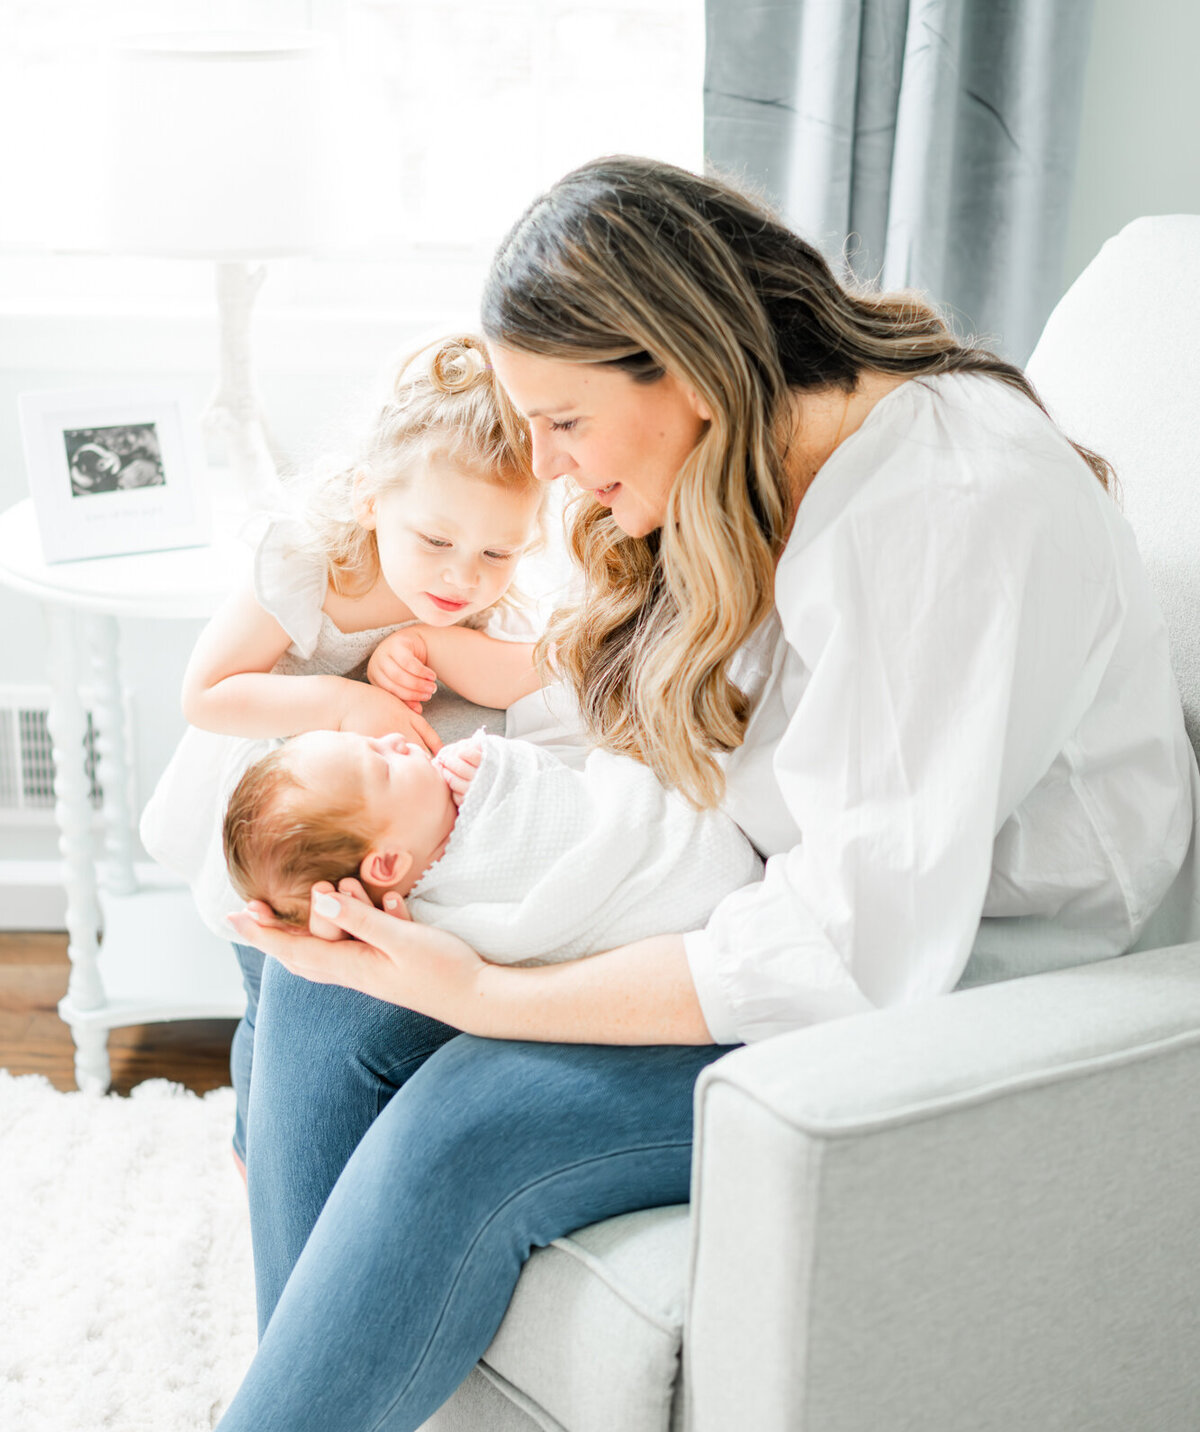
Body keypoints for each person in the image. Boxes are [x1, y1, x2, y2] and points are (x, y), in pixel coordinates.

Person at [217, 157, 1197, 1432]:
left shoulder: (949, 515)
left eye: (565, 422)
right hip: (749, 881)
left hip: (969, 973)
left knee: (472, 1121)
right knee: (321, 974)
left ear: (676, 360)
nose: (555, 471)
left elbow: (850, 951)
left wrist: (488, 993)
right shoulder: (748, 455)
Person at [139, 332, 546, 1171]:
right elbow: (208, 693)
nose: (463, 578)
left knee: (357, 993)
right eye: (435, 542)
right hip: (279, 804)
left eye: (498, 553)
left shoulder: (470, 589)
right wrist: (347, 695)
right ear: (369, 498)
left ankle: (350, 1156)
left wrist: (432, 647)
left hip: (378, 824)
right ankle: (260, 1151)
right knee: (273, 993)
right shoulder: (307, 562)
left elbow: (528, 680)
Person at [222, 724, 762, 955]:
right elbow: (522, 926)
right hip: (681, 899)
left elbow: (577, 795)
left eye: (373, 741)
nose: (393, 740)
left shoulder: (460, 795)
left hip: (686, 852)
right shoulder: (433, 919)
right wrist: (506, 771)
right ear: (386, 866)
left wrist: (499, 770)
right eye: (383, 765)